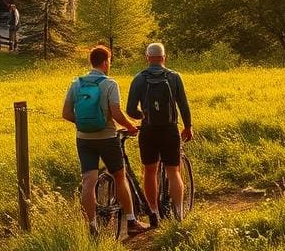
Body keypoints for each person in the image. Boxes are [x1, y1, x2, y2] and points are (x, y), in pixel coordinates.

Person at [62, 45, 147, 237]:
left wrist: (84, 123)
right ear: (105, 62)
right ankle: (132, 221)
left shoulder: (76, 83)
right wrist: (132, 126)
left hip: (83, 139)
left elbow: (66, 113)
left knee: (88, 182)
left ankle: (92, 226)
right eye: (110, 61)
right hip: (107, 138)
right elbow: (116, 113)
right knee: (119, 176)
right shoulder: (110, 84)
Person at [127, 42, 193, 225]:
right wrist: (188, 126)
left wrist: (144, 115)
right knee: (173, 170)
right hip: (170, 129)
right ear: (164, 57)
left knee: (149, 171)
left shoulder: (139, 78)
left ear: (147, 58)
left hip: (148, 131)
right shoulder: (174, 77)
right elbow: (184, 105)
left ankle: (154, 213)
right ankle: (179, 213)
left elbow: (130, 109)